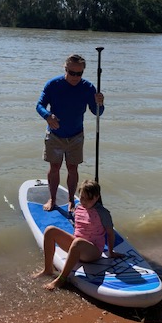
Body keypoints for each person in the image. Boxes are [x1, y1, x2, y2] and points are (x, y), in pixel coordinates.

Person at [36, 54, 104, 212]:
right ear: (65, 69)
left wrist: (100, 103)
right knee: (54, 167)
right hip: (55, 134)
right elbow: (39, 105)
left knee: (73, 169)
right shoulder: (53, 85)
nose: (75, 77)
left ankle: (71, 201)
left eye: (79, 73)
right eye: (71, 73)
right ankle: (52, 199)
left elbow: (97, 112)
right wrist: (47, 116)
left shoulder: (88, 88)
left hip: (76, 136)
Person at [33, 179, 124, 291]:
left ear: (97, 197)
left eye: (89, 199)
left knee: (78, 242)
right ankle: (48, 269)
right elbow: (79, 228)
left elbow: (110, 233)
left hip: (93, 252)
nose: (84, 201)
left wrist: (111, 252)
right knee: (50, 230)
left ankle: (61, 279)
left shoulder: (103, 213)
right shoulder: (78, 207)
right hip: (77, 246)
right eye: (82, 198)